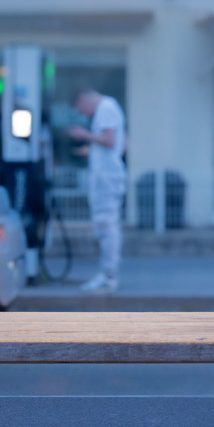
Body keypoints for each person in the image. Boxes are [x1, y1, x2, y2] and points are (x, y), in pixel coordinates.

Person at [68, 87, 126, 292]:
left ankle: (109, 276)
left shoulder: (106, 108)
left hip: (106, 178)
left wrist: (84, 135)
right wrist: (92, 150)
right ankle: (107, 274)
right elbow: (115, 143)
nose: (83, 113)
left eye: (81, 108)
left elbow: (108, 140)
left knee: (106, 225)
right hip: (107, 175)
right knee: (106, 225)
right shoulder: (109, 107)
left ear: (84, 100)